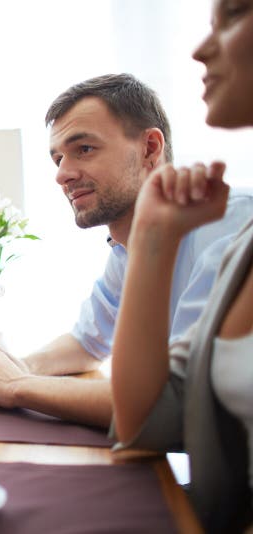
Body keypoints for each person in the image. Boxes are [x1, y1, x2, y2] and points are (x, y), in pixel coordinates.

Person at [0, 73, 253, 428]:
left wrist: (17, 384)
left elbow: (173, 401)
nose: (62, 174)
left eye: (84, 149)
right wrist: (19, 365)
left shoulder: (228, 229)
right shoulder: (126, 250)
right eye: (57, 159)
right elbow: (87, 342)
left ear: (150, 148)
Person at [112, 2, 253, 530]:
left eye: (234, 15)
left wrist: (18, 384)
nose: (199, 49)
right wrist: (153, 235)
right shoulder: (245, 248)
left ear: (150, 147)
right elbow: (147, 419)